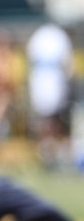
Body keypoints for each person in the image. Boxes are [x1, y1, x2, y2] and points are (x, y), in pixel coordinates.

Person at [26, 21, 75, 168]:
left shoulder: (53, 36)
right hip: (46, 80)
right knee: (45, 119)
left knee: (53, 118)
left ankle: (52, 151)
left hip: (51, 80)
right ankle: (46, 152)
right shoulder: (50, 36)